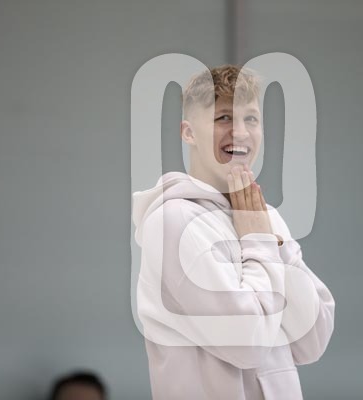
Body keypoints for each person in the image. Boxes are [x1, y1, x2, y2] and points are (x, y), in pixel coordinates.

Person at [132, 65, 335, 399]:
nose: (240, 132)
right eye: (223, 117)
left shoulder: (263, 218)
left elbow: (312, 340)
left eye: (251, 119)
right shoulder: (173, 222)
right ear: (188, 133)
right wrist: (260, 243)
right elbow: (247, 344)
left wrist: (269, 239)